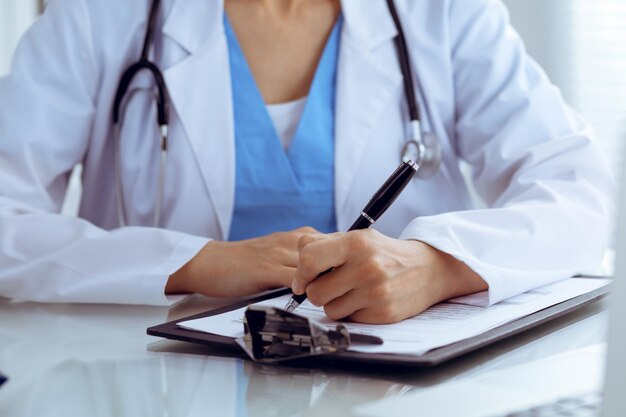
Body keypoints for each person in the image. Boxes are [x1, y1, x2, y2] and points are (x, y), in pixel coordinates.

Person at [0, 0, 612, 324]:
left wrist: (441, 266)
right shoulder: (97, 16)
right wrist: (193, 263)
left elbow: (581, 191)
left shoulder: (442, 12)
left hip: (398, 393)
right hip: (155, 386)